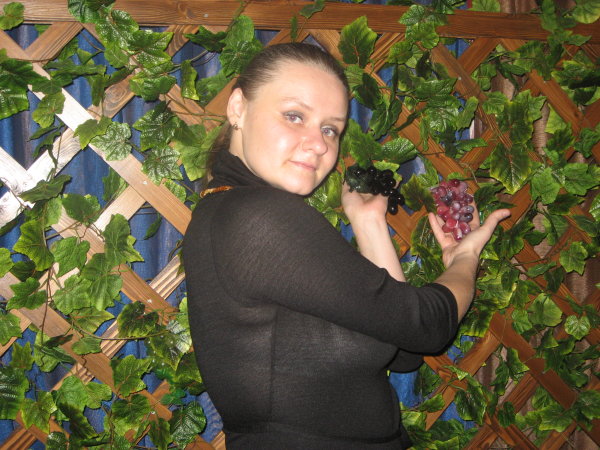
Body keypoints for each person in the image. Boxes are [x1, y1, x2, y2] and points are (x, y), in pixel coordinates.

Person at [182, 42, 510, 450]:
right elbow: (426, 326)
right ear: (237, 108)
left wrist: (369, 223)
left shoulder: (235, 214)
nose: (319, 144)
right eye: (294, 116)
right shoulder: (257, 218)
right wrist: (465, 259)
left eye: (330, 129)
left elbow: (403, 350)